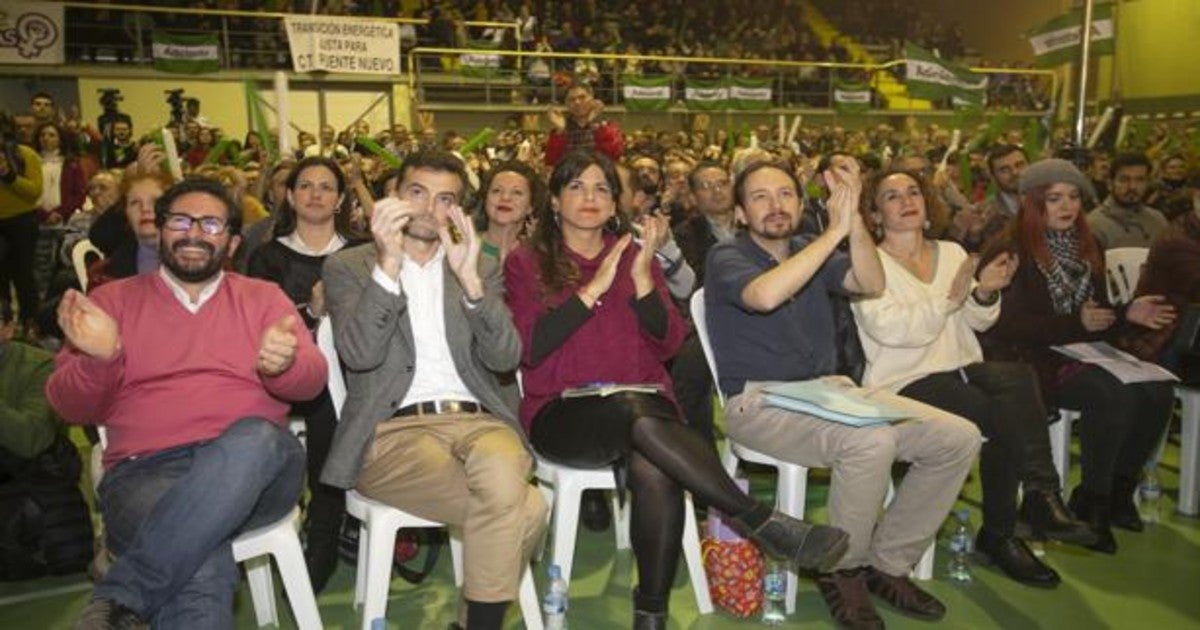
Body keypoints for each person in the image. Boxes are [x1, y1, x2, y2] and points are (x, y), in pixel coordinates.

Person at [505, 150, 850, 629]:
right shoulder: (527, 262)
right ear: (556, 201)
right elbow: (530, 346)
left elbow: (668, 340)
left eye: (602, 188)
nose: (590, 197)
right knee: (639, 416)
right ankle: (755, 518)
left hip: (645, 405)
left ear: (615, 202)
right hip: (564, 411)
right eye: (577, 187)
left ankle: (652, 615)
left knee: (655, 464)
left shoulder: (634, 253)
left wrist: (644, 283)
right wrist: (593, 290)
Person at [705, 159, 981, 629]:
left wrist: (851, 219)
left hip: (831, 394)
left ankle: (886, 563)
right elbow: (764, 297)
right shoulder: (727, 255)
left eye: (786, 194)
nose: (776, 206)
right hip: (759, 402)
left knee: (958, 436)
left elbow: (869, 283)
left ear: (800, 201)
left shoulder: (810, 246)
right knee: (870, 442)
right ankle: (841, 570)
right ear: (740, 212)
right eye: (760, 197)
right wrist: (832, 234)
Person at [47, 177, 326, 628]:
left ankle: (124, 592)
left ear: (232, 241)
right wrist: (101, 359)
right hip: (144, 474)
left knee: (255, 436)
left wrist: (284, 366)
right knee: (199, 557)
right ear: (159, 230)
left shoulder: (262, 298)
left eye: (211, 224)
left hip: (258, 473)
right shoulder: (112, 301)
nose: (194, 233)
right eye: (180, 220)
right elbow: (68, 407)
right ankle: (132, 594)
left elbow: (312, 383)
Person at [321, 150, 547, 630]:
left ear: (459, 210)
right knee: (525, 507)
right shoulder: (349, 266)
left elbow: (506, 358)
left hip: (478, 419)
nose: (428, 208)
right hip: (391, 433)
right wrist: (388, 264)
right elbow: (359, 354)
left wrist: (470, 283)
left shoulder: (478, 263)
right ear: (393, 198)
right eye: (416, 193)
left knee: (502, 465)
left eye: (445, 198)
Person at [853, 168, 1096, 588]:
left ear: (928, 202)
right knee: (1002, 416)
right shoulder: (866, 263)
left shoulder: (950, 252)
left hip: (962, 367)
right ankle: (1008, 528)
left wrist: (984, 292)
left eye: (914, 191)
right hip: (903, 381)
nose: (907, 200)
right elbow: (893, 331)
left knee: (1017, 380)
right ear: (875, 214)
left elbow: (978, 322)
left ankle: (1038, 497)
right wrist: (950, 299)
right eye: (892, 196)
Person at [980, 158, 1177, 554]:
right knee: (1113, 394)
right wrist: (1077, 323)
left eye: (1073, 197)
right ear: (1032, 203)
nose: (1067, 206)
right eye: (1054, 198)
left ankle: (1119, 492)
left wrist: (1127, 313)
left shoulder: (1087, 245)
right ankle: (1094, 501)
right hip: (1027, 358)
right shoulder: (1010, 247)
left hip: (1079, 347)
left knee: (1158, 390)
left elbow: (1097, 314)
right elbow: (1003, 326)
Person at [246, 156, 362, 592]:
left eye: (327, 187)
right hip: (290, 372)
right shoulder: (266, 257)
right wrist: (312, 312)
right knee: (322, 401)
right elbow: (259, 328)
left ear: (339, 200)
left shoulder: (362, 252)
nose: (316, 193)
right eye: (306, 186)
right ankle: (324, 532)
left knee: (348, 397)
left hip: (355, 370)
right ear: (290, 197)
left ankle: (330, 526)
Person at [0, 131, 43, 335]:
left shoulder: (26, 154)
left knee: (23, 275)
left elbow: (34, 192)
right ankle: (5, 325)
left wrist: (9, 175)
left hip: (22, 220)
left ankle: (31, 324)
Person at [1086, 152, 1169, 250]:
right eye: (1124, 180)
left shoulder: (1158, 220)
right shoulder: (1094, 224)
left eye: (1140, 180)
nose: (1132, 187)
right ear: (1110, 183)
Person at [476, 160, 544, 262]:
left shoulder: (541, 255)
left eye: (517, 192)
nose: (505, 197)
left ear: (530, 206)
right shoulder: (463, 246)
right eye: (497, 190)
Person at [544, 82, 623, 167]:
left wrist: (597, 124)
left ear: (592, 99)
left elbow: (613, 156)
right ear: (566, 104)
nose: (577, 102)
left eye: (582, 97)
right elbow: (551, 162)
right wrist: (560, 131)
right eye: (572, 99)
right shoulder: (560, 130)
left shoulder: (607, 126)